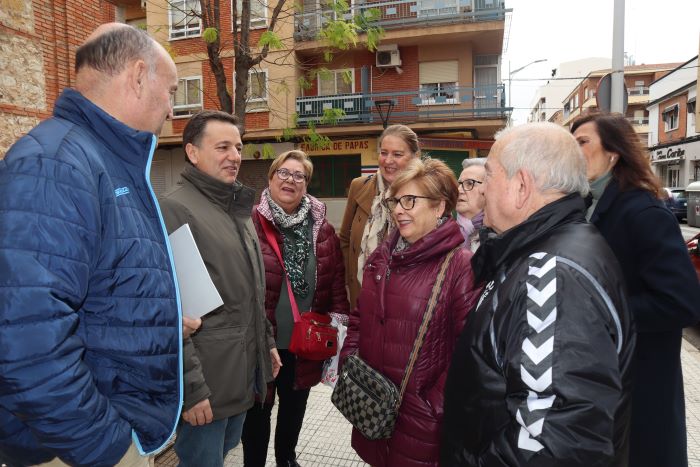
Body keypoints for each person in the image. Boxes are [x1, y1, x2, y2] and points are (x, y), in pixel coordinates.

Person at [0, 23, 186, 467]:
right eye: (173, 92)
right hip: (75, 449)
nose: (172, 110)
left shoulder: (103, 160)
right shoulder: (54, 164)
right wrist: (108, 447)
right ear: (139, 77)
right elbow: (25, 341)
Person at [441, 122, 635, 467]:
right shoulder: (542, 250)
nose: (482, 190)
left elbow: (556, 443)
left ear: (520, 186)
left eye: (489, 176)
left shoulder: (553, 276)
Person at [572, 113, 700, 467]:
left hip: (642, 383)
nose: (573, 149)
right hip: (606, 379)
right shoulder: (585, 206)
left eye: (582, 141)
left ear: (613, 153)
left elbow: (682, 302)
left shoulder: (644, 211)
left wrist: (599, 312)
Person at [340, 157, 481, 467]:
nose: (398, 209)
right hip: (373, 407)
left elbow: (468, 353)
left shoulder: (460, 265)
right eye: (396, 200)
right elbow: (360, 317)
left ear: (440, 207)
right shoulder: (383, 255)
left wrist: (433, 405)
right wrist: (349, 362)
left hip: (421, 422)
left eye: (409, 200)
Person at [158, 110, 278, 467]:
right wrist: (191, 390)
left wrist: (267, 342)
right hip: (206, 388)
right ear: (193, 153)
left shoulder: (236, 209)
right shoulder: (175, 210)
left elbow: (250, 293)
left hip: (240, 376)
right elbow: (172, 315)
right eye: (222, 147)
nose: (235, 156)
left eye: (238, 147)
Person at [241, 150, 349, 467]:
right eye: (284, 173)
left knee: (295, 406)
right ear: (271, 178)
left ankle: (287, 459)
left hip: (305, 344)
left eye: (299, 176)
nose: (291, 180)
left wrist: (338, 327)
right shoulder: (249, 224)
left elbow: (336, 286)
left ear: (306, 184)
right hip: (262, 340)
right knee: (258, 410)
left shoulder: (323, 230)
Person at [339, 124, 420, 307]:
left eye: (397, 154)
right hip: (360, 298)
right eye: (384, 153)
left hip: (403, 301)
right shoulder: (358, 186)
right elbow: (344, 239)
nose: (388, 160)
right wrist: (348, 284)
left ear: (415, 157)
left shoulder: (425, 195)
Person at [455, 157, 486, 251]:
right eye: (460, 183)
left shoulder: (500, 234)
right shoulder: (444, 234)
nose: (459, 190)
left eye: (469, 183)